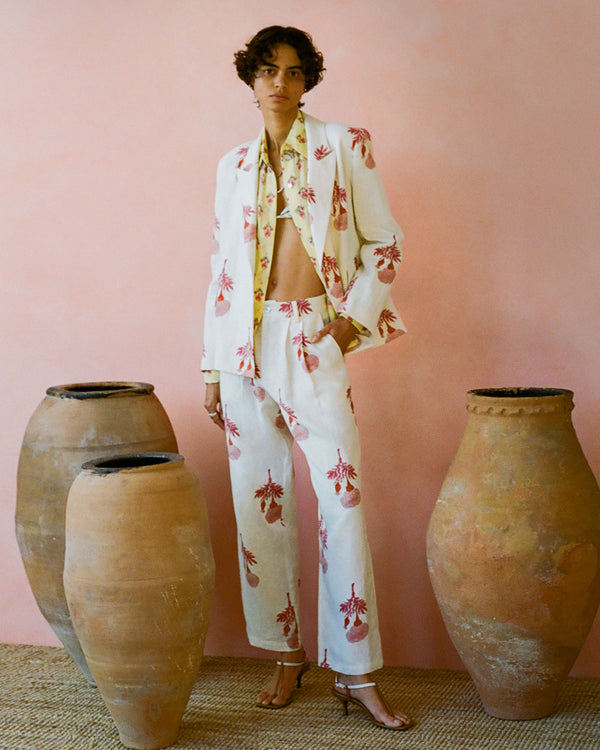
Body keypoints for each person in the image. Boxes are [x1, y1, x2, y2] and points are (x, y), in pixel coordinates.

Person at [202, 25, 411, 730]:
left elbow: (386, 239)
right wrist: (211, 364)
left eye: (292, 72)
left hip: (313, 335)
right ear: (250, 77)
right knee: (260, 506)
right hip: (243, 348)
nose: (278, 84)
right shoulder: (231, 165)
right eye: (266, 70)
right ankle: (287, 654)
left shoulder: (343, 145)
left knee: (341, 503)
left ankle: (356, 671)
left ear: (307, 80)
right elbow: (222, 271)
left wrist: (351, 322)